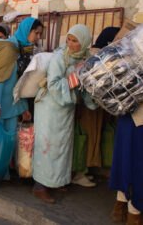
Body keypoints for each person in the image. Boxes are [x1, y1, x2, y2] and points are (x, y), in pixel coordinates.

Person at [32, 24, 97, 203]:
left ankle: (56, 181)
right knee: (47, 146)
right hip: (49, 108)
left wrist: (91, 100)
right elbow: (53, 85)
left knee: (62, 146)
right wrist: (76, 75)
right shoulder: (60, 57)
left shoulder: (84, 57)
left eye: (75, 41)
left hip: (66, 108)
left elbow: (84, 85)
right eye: (69, 39)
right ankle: (39, 186)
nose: (70, 44)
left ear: (83, 43)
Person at [72, 27, 120, 188]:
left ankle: (84, 171)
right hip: (88, 106)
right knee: (86, 137)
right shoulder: (95, 58)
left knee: (92, 136)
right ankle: (80, 173)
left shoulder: (99, 56)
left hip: (94, 105)